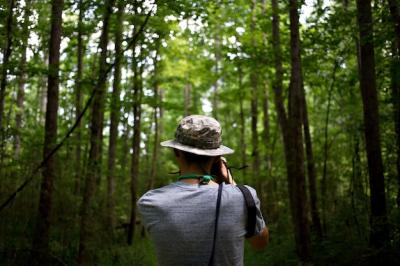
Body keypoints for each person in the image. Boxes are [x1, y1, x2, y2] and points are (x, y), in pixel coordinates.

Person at [137, 115, 269, 266]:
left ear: (176, 152)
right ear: (217, 156)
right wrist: (230, 182)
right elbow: (260, 243)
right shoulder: (244, 197)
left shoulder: (150, 202)